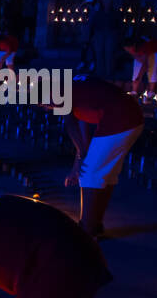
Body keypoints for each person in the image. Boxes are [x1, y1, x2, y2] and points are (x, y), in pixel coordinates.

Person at [59, 76, 143, 237]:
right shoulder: (74, 90)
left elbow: (70, 125)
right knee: (106, 174)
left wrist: (80, 166)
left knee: (89, 174)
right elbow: (82, 137)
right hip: (132, 118)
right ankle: (95, 224)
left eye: (42, 104)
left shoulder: (59, 92)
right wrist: (77, 164)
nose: (46, 107)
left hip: (119, 119)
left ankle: (86, 230)